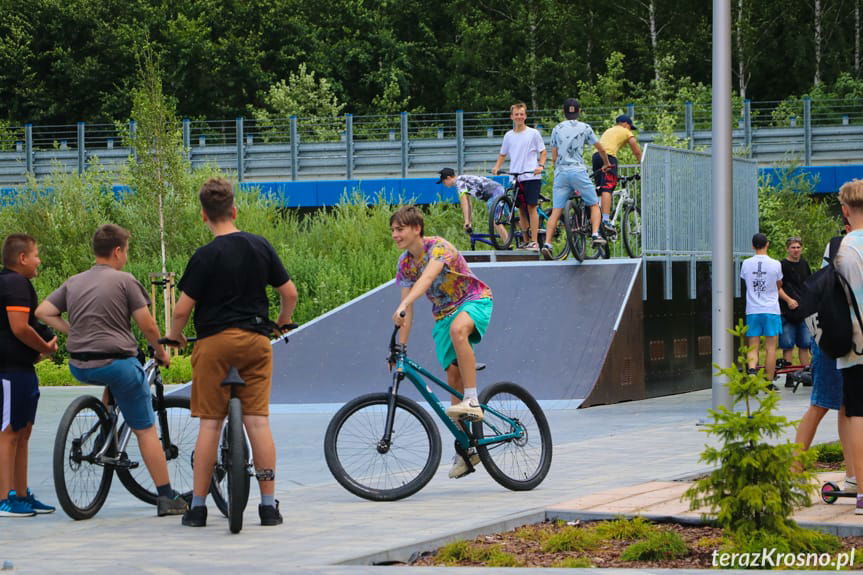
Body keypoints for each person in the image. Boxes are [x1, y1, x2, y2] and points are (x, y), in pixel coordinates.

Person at [166, 177, 298, 528]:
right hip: (255, 340)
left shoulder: (205, 255)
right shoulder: (259, 246)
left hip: (214, 344)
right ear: (235, 211)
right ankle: (268, 507)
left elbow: (181, 310)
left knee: (210, 423)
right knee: (258, 421)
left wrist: (175, 337)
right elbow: (290, 293)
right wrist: (282, 322)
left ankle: (197, 508)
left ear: (203, 216)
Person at [35, 225, 187, 517]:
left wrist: (73, 331)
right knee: (145, 430)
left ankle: (105, 427)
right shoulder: (125, 281)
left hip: (79, 364)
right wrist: (161, 352)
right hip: (117, 363)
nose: (126, 257)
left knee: (112, 376)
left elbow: (43, 312)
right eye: (126, 251)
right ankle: (167, 497)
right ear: (117, 251)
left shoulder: (74, 281)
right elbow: (148, 325)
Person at [390, 205, 493, 479]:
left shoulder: (439, 247)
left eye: (400, 229)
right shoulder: (404, 264)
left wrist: (405, 304)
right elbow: (406, 312)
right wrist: (401, 348)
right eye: (393, 230)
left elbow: (427, 278)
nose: (395, 235)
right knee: (452, 379)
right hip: (443, 316)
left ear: (416, 229)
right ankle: (466, 448)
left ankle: (473, 399)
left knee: (460, 331)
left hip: (474, 300)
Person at [0, 234, 58, 517]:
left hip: (21, 369)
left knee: (23, 431)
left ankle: (21, 494)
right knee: (9, 431)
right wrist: (45, 347)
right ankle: (4, 498)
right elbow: (20, 327)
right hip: (9, 371)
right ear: (22, 258)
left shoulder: (15, 284)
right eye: (36, 255)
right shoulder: (15, 283)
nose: (39, 261)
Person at [796, 226, 855, 492]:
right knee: (820, 404)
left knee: (848, 408)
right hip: (833, 339)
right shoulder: (840, 246)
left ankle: (853, 476)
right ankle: (793, 473)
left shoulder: (844, 246)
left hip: (846, 338)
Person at [542, 98, 611, 260]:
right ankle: (595, 234)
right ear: (579, 111)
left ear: (563, 112)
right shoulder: (585, 127)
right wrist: (606, 163)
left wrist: (557, 168)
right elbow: (600, 148)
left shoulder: (557, 128)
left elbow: (554, 155)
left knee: (556, 210)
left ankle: (547, 244)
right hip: (578, 171)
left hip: (561, 173)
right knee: (593, 204)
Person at [833, 178, 863, 514]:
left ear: (845, 210)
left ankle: (861, 492)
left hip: (856, 343)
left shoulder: (844, 249)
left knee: (857, 413)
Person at [491, 102, 547, 251]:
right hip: (516, 177)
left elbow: (543, 152)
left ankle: (534, 241)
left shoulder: (533, 133)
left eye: (522, 114)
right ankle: (525, 240)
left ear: (525, 116)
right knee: (521, 209)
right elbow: (502, 154)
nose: (519, 117)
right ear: (512, 117)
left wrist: (541, 166)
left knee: (531, 207)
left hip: (531, 175)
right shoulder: (508, 136)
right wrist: (497, 167)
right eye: (516, 114)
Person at [740, 232, 783, 385]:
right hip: (771, 309)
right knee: (771, 348)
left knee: (753, 345)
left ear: (752, 246)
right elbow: (779, 284)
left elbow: (745, 280)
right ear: (767, 244)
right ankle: (769, 381)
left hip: (753, 309)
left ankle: (752, 371)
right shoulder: (776, 264)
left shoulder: (746, 264)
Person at [592, 115, 642, 234]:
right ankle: (605, 220)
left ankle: (595, 220)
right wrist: (643, 162)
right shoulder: (625, 131)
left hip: (596, 156)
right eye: (630, 127)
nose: (630, 130)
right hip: (608, 157)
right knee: (607, 188)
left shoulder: (609, 130)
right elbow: (635, 148)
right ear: (625, 124)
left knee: (599, 189)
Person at [436, 167, 507, 241]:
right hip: (498, 189)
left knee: (494, 220)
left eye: (444, 182)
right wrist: (469, 221)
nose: (444, 184)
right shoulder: (463, 179)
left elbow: (464, 203)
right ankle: (515, 236)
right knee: (509, 217)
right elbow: (468, 204)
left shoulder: (459, 183)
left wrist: (466, 221)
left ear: (448, 178)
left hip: (494, 193)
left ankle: (507, 243)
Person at [778, 237, 812, 367]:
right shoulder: (781, 265)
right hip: (787, 311)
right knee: (787, 345)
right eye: (793, 247)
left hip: (803, 312)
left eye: (798, 247)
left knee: (805, 344)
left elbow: (809, 284)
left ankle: (805, 372)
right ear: (787, 249)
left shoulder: (804, 264)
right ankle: (788, 374)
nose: (796, 250)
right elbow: (776, 287)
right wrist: (788, 300)